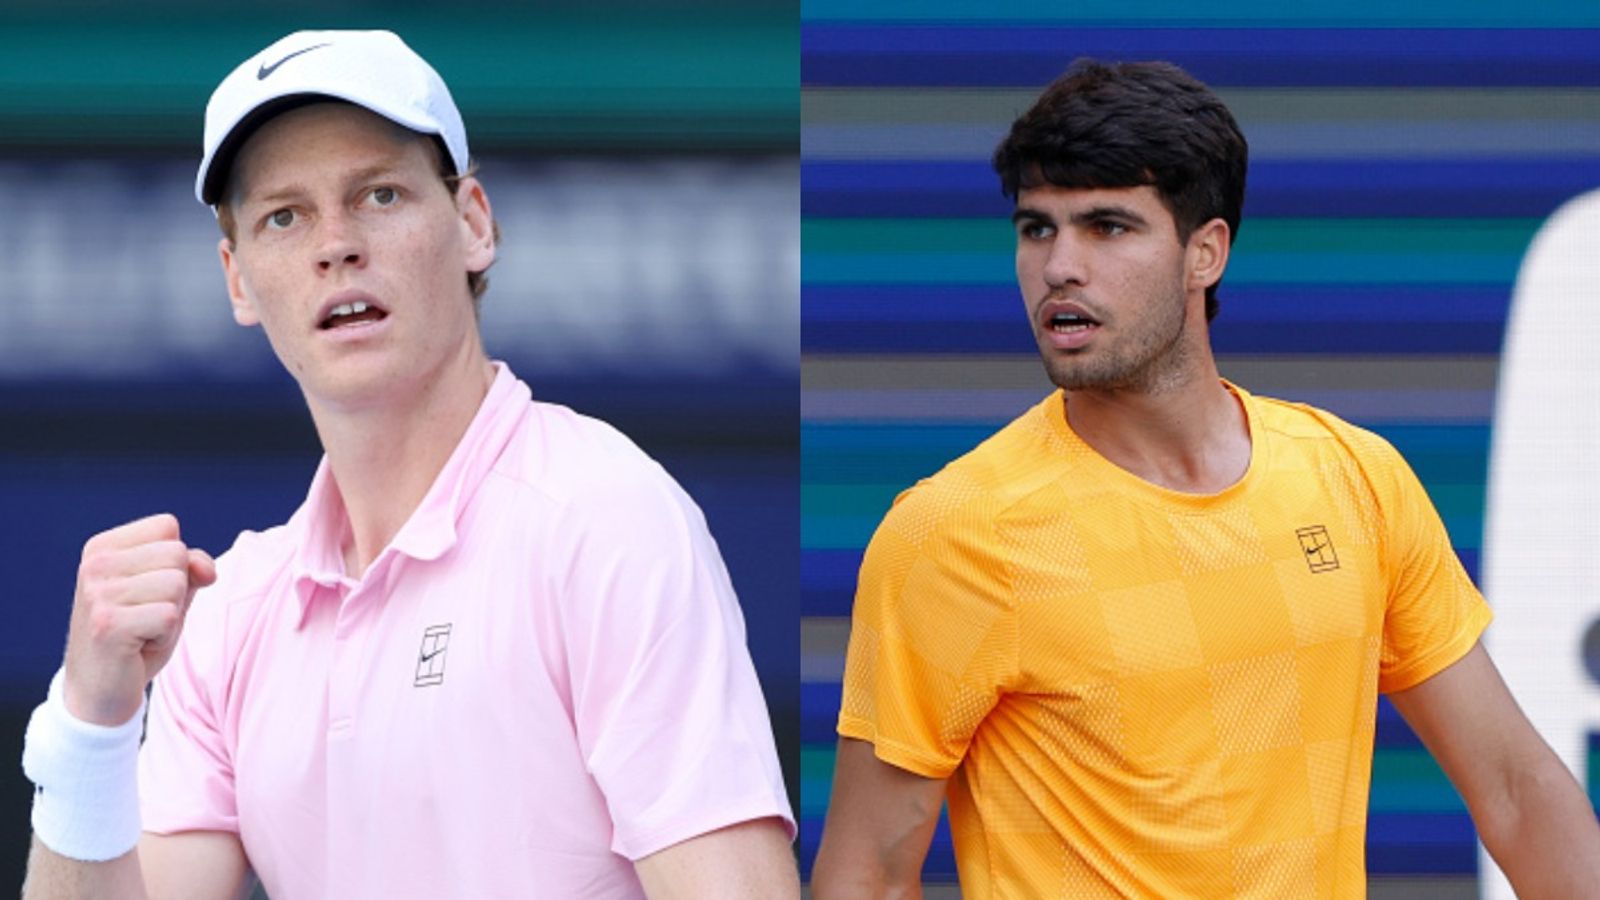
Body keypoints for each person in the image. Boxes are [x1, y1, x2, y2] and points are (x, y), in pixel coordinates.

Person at [20, 30, 797, 900]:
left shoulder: (605, 521)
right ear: (238, 280)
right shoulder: (230, 614)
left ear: (473, 223)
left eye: (379, 195)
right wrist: (88, 729)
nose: (337, 245)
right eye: (285, 215)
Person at [810, 59, 1600, 898]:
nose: (1059, 266)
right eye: (1037, 227)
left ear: (1205, 253)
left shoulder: (1353, 479)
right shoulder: (953, 534)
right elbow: (871, 870)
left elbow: (1517, 790)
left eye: (1107, 226)